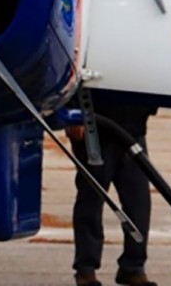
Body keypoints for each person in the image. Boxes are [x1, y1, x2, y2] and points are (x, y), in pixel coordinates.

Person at [66, 98, 158, 286]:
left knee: (139, 202)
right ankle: (86, 268)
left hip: (132, 129)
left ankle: (133, 266)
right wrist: (73, 115)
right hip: (94, 131)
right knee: (91, 200)